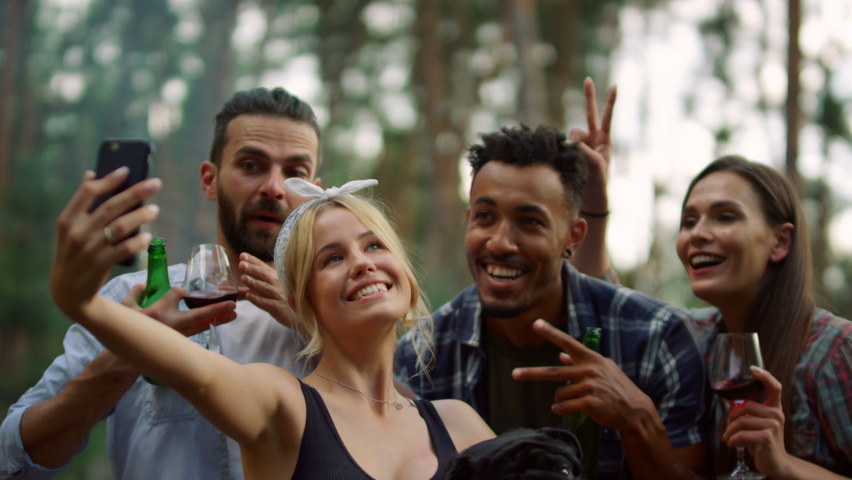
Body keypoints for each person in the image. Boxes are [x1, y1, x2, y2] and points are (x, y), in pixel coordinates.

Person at [48, 174, 495, 479]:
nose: (362, 264)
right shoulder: (282, 404)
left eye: (374, 245)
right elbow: (194, 371)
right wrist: (82, 302)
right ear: (302, 299)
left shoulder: (461, 425)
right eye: (332, 258)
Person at [0, 87, 322, 480]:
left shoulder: (340, 313)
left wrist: (317, 327)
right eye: (252, 165)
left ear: (315, 194)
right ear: (209, 179)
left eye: (294, 173)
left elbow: (404, 422)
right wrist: (128, 354)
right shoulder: (129, 303)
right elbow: (13, 460)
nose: (274, 186)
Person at [395, 96, 712, 478]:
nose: (499, 242)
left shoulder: (656, 337)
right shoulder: (419, 357)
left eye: (529, 222)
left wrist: (637, 420)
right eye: (484, 216)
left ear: (573, 237)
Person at [676, 156, 852, 479]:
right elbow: (611, 309)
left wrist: (784, 465)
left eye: (725, 217)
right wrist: (594, 202)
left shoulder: (833, 352)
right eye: (688, 222)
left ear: (780, 241)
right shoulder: (692, 337)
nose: (697, 234)